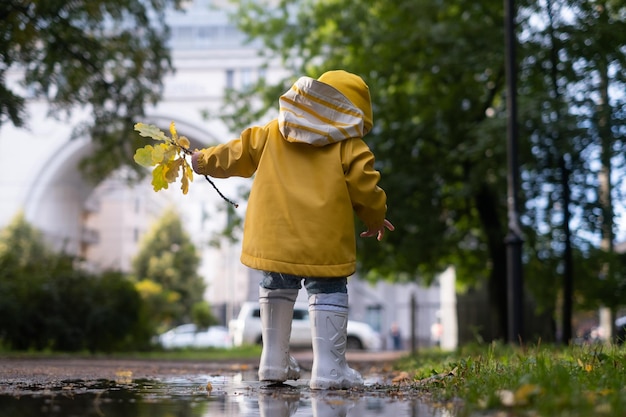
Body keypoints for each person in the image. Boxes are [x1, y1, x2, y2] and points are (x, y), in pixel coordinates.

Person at [191, 70, 394, 390]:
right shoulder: (350, 145)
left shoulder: (273, 131)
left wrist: (203, 161)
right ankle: (330, 369)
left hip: (274, 234)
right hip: (322, 238)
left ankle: (272, 362)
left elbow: (237, 153)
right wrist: (374, 218)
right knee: (328, 290)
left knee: (275, 286)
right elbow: (366, 188)